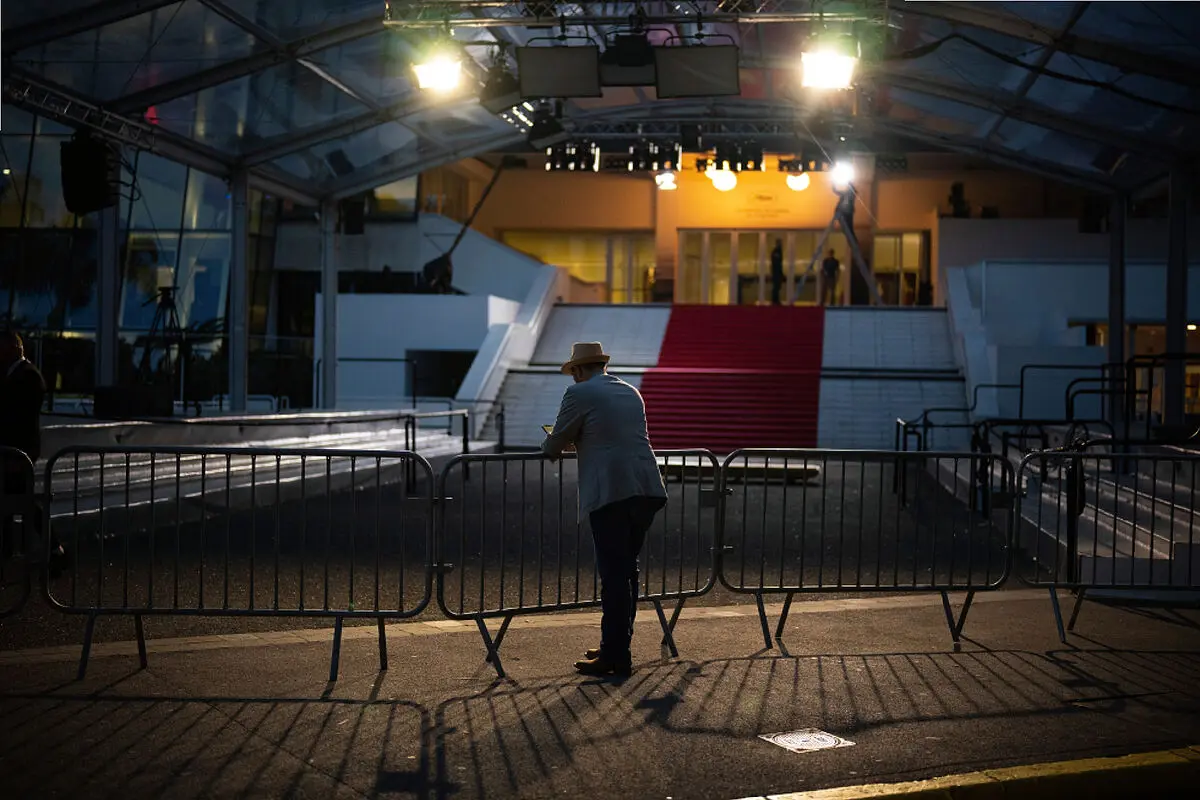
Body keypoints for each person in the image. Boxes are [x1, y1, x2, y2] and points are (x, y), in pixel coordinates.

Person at [542, 342, 667, 677]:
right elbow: (615, 435)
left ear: (580, 370)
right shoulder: (630, 391)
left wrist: (556, 441)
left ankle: (615, 656)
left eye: (574, 373)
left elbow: (553, 446)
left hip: (612, 491)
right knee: (627, 572)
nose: (574, 378)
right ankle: (616, 644)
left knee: (614, 575)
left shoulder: (579, 394)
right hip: (647, 486)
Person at [0, 331, 68, 576]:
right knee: (15, 500)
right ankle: (49, 548)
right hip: (15, 450)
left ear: (12, 349)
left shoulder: (27, 377)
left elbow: (17, 416)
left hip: (18, 451)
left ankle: (53, 547)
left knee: (21, 501)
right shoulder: (19, 375)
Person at [770, 239, 785, 305]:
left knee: (777, 286)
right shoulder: (777, 252)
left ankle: (775, 300)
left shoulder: (776, 251)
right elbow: (777, 264)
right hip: (776, 272)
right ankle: (775, 300)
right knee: (776, 286)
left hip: (776, 272)